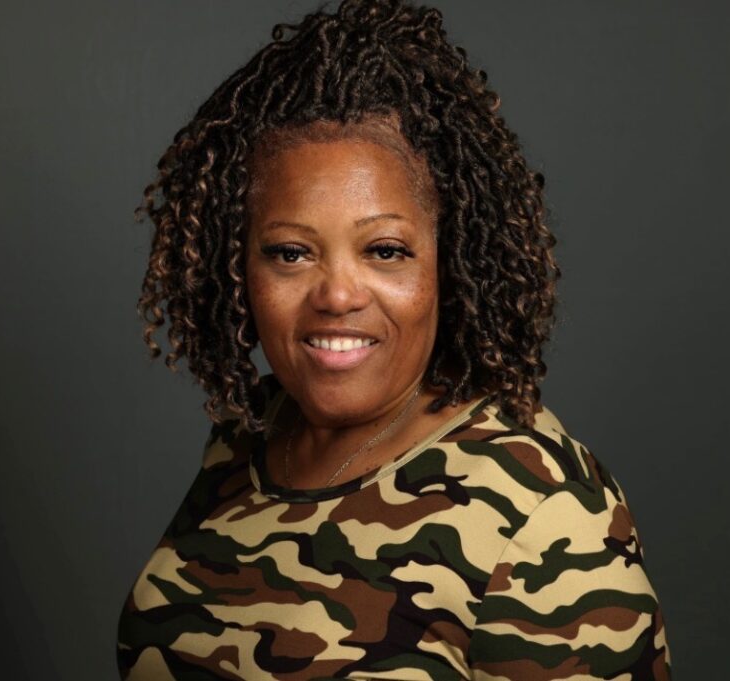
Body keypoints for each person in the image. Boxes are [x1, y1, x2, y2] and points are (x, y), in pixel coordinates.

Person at [117, 0, 672, 679]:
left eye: (384, 250)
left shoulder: (543, 515)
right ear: (238, 268)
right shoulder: (246, 440)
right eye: (291, 253)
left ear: (449, 261)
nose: (337, 295)